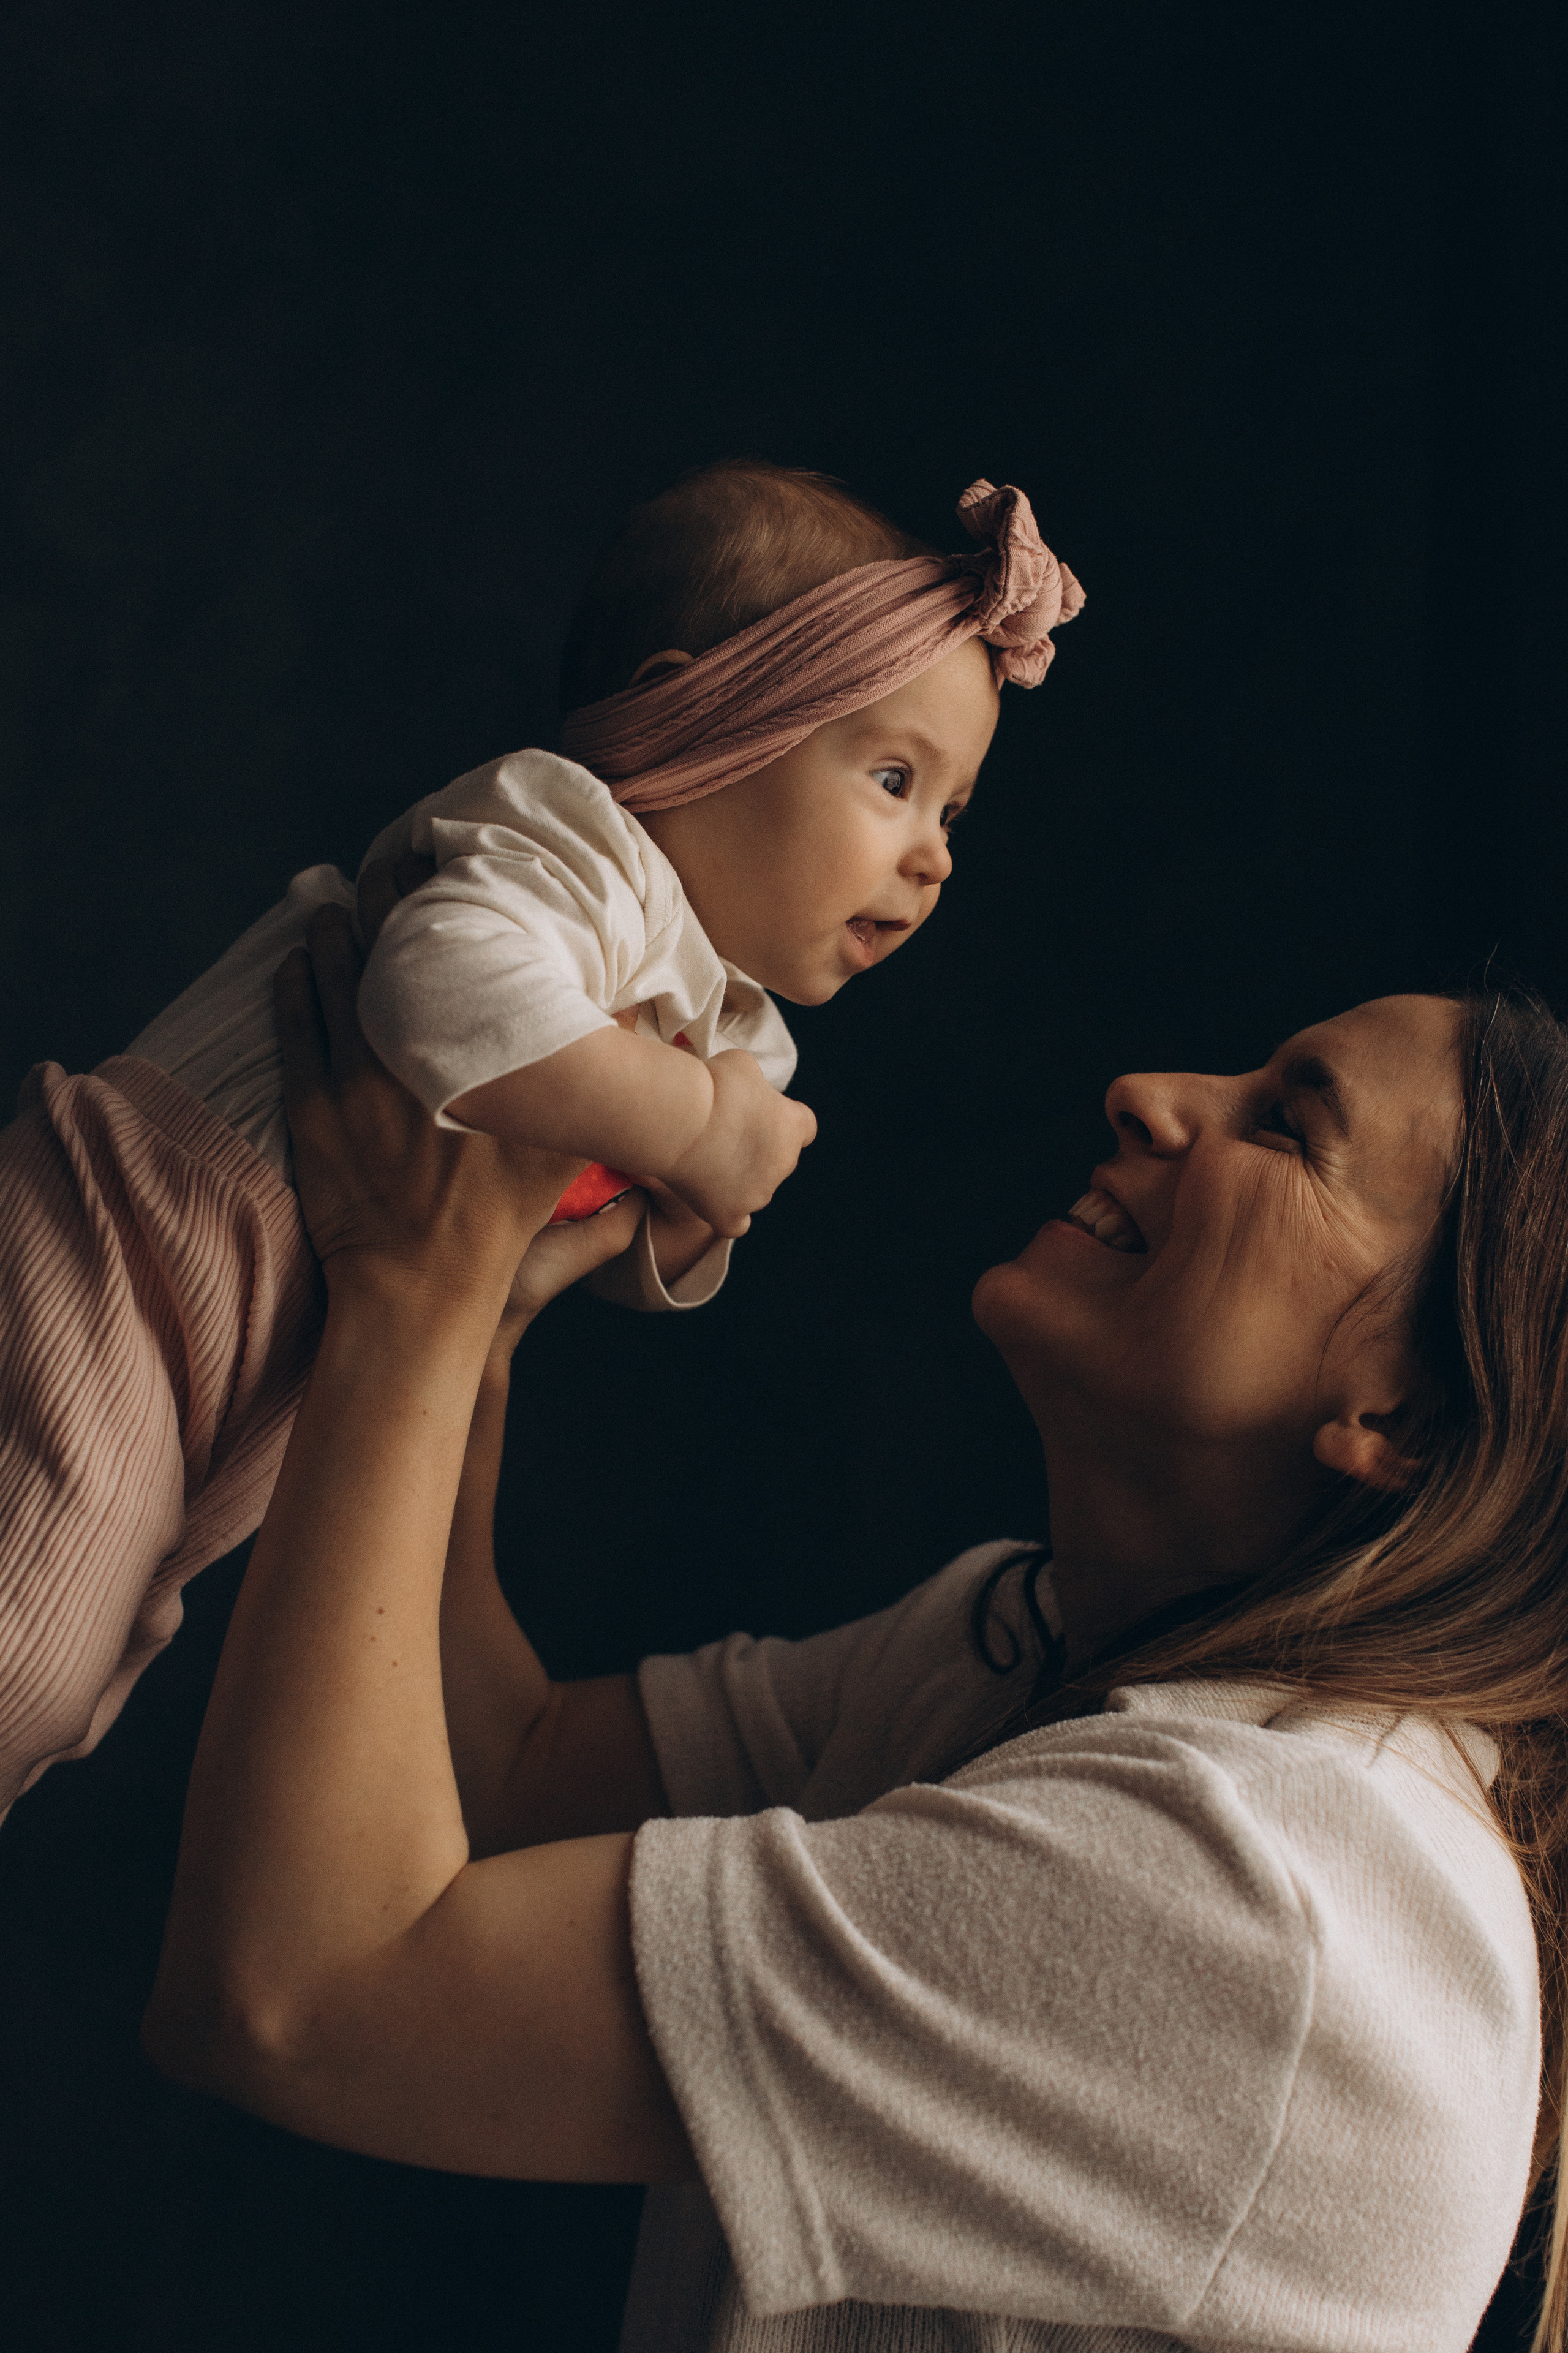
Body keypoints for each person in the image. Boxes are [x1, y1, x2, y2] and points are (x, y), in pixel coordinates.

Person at [143, 902, 1567, 2353]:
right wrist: (484, 1308)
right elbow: (508, 1776)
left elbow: (292, 1999)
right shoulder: (1022, 1645)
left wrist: (407, 1289)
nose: (1149, 1094)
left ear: (1394, 1416)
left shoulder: (1260, 1891)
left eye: (1284, 1127)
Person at [0, 461, 1082, 1816]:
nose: (930, 856)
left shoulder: (731, 1018)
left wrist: (696, 1219)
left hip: (261, 1375)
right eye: (888, 777)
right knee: (19, 1659)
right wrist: (695, 1126)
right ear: (700, 711)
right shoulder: (566, 838)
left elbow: (606, 1249)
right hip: (125, 1239)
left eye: (948, 813)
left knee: (77, 1675)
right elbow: (440, 995)